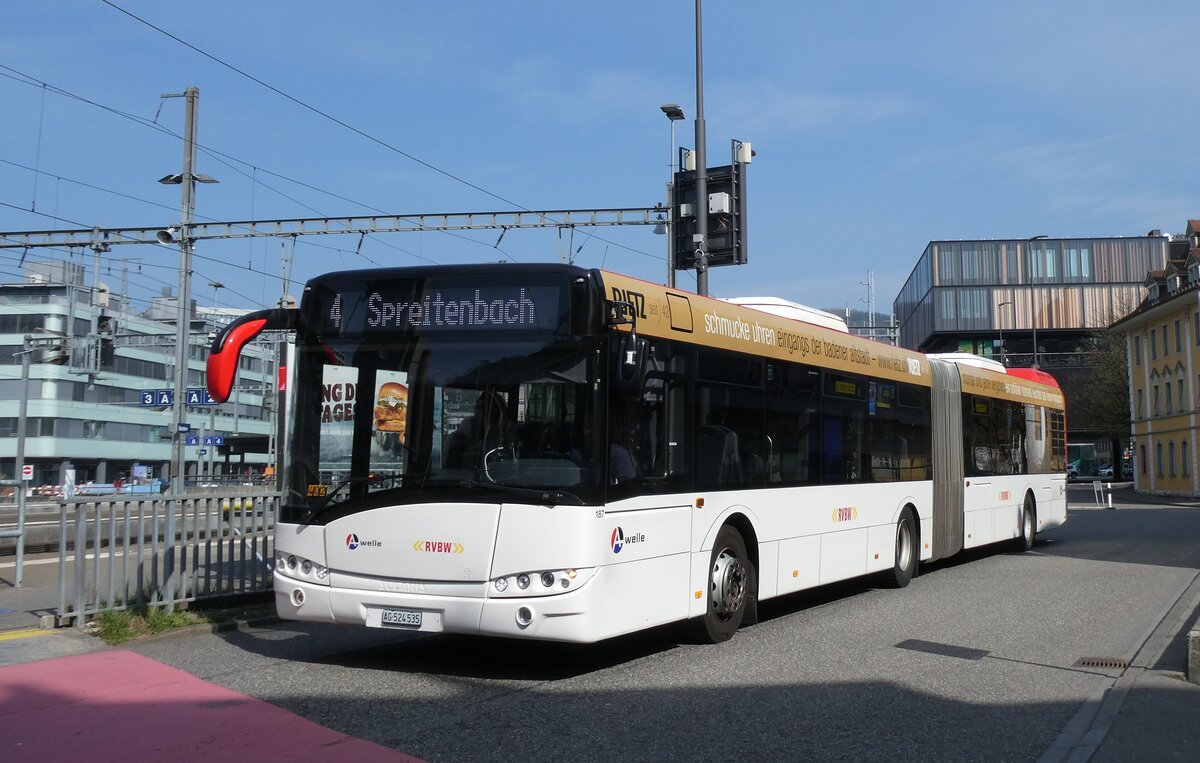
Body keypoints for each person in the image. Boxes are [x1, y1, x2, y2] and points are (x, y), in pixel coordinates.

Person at [444, 392, 507, 469]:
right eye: (480, 407)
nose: (483, 412)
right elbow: (449, 468)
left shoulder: (504, 436)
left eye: (488, 408)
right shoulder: (462, 434)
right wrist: (456, 448)